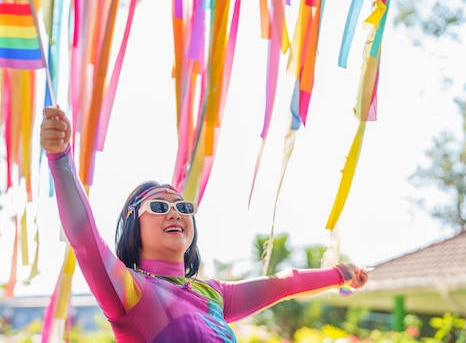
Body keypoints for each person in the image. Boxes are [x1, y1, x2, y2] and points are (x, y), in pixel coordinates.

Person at [40, 106, 369, 343]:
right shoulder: (130, 290)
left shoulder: (213, 294)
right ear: (132, 226)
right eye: (158, 206)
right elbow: (85, 242)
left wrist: (341, 274)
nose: (175, 212)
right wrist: (60, 157)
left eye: (183, 206)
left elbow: (284, 284)